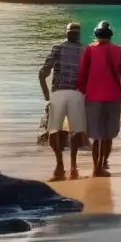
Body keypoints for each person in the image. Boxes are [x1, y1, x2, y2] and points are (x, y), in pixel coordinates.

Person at [77, 20, 121, 177]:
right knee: (108, 134)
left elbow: (82, 73)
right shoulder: (120, 50)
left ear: (96, 34)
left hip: (93, 97)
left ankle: (96, 168)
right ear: (111, 35)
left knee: (97, 136)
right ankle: (104, 163)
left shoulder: (89, 50)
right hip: (113, 95)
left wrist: (82, 91)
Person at [39, 21, 86, 181]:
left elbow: (42, 73)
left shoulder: (57, 48)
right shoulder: (84, 50)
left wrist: (46, 96)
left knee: (54, 130)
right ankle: (72, 166)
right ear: (78, 34)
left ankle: (60, 164)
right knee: (73, 130)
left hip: (58, 93)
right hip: (76, 94)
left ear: (66, 33)